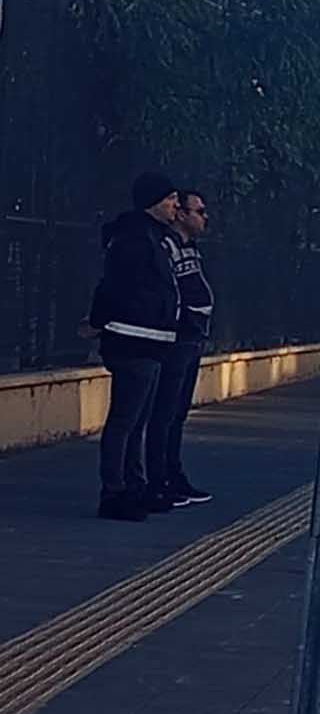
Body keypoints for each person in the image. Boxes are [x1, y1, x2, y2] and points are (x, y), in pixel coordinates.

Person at [87, 172, 182, 521]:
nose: (175, 206)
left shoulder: (153, 238)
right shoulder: (135, 240)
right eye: (170, 199)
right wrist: (98, 322)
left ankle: (134, 488)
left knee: (135, 421)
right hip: (133, 341)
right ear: (154, 202)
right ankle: (115, 493)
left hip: (151, 342)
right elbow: (112, 286)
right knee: (124, 422)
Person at [150, 188, 215, 508]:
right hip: (177, 339)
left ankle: (173, 474)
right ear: (181, 215)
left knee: (178, 413)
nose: (204, 217)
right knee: (164, 413)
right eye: (198, 211)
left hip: (192, 339)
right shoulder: (167, 246)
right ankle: (159, 478)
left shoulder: (191, 248)